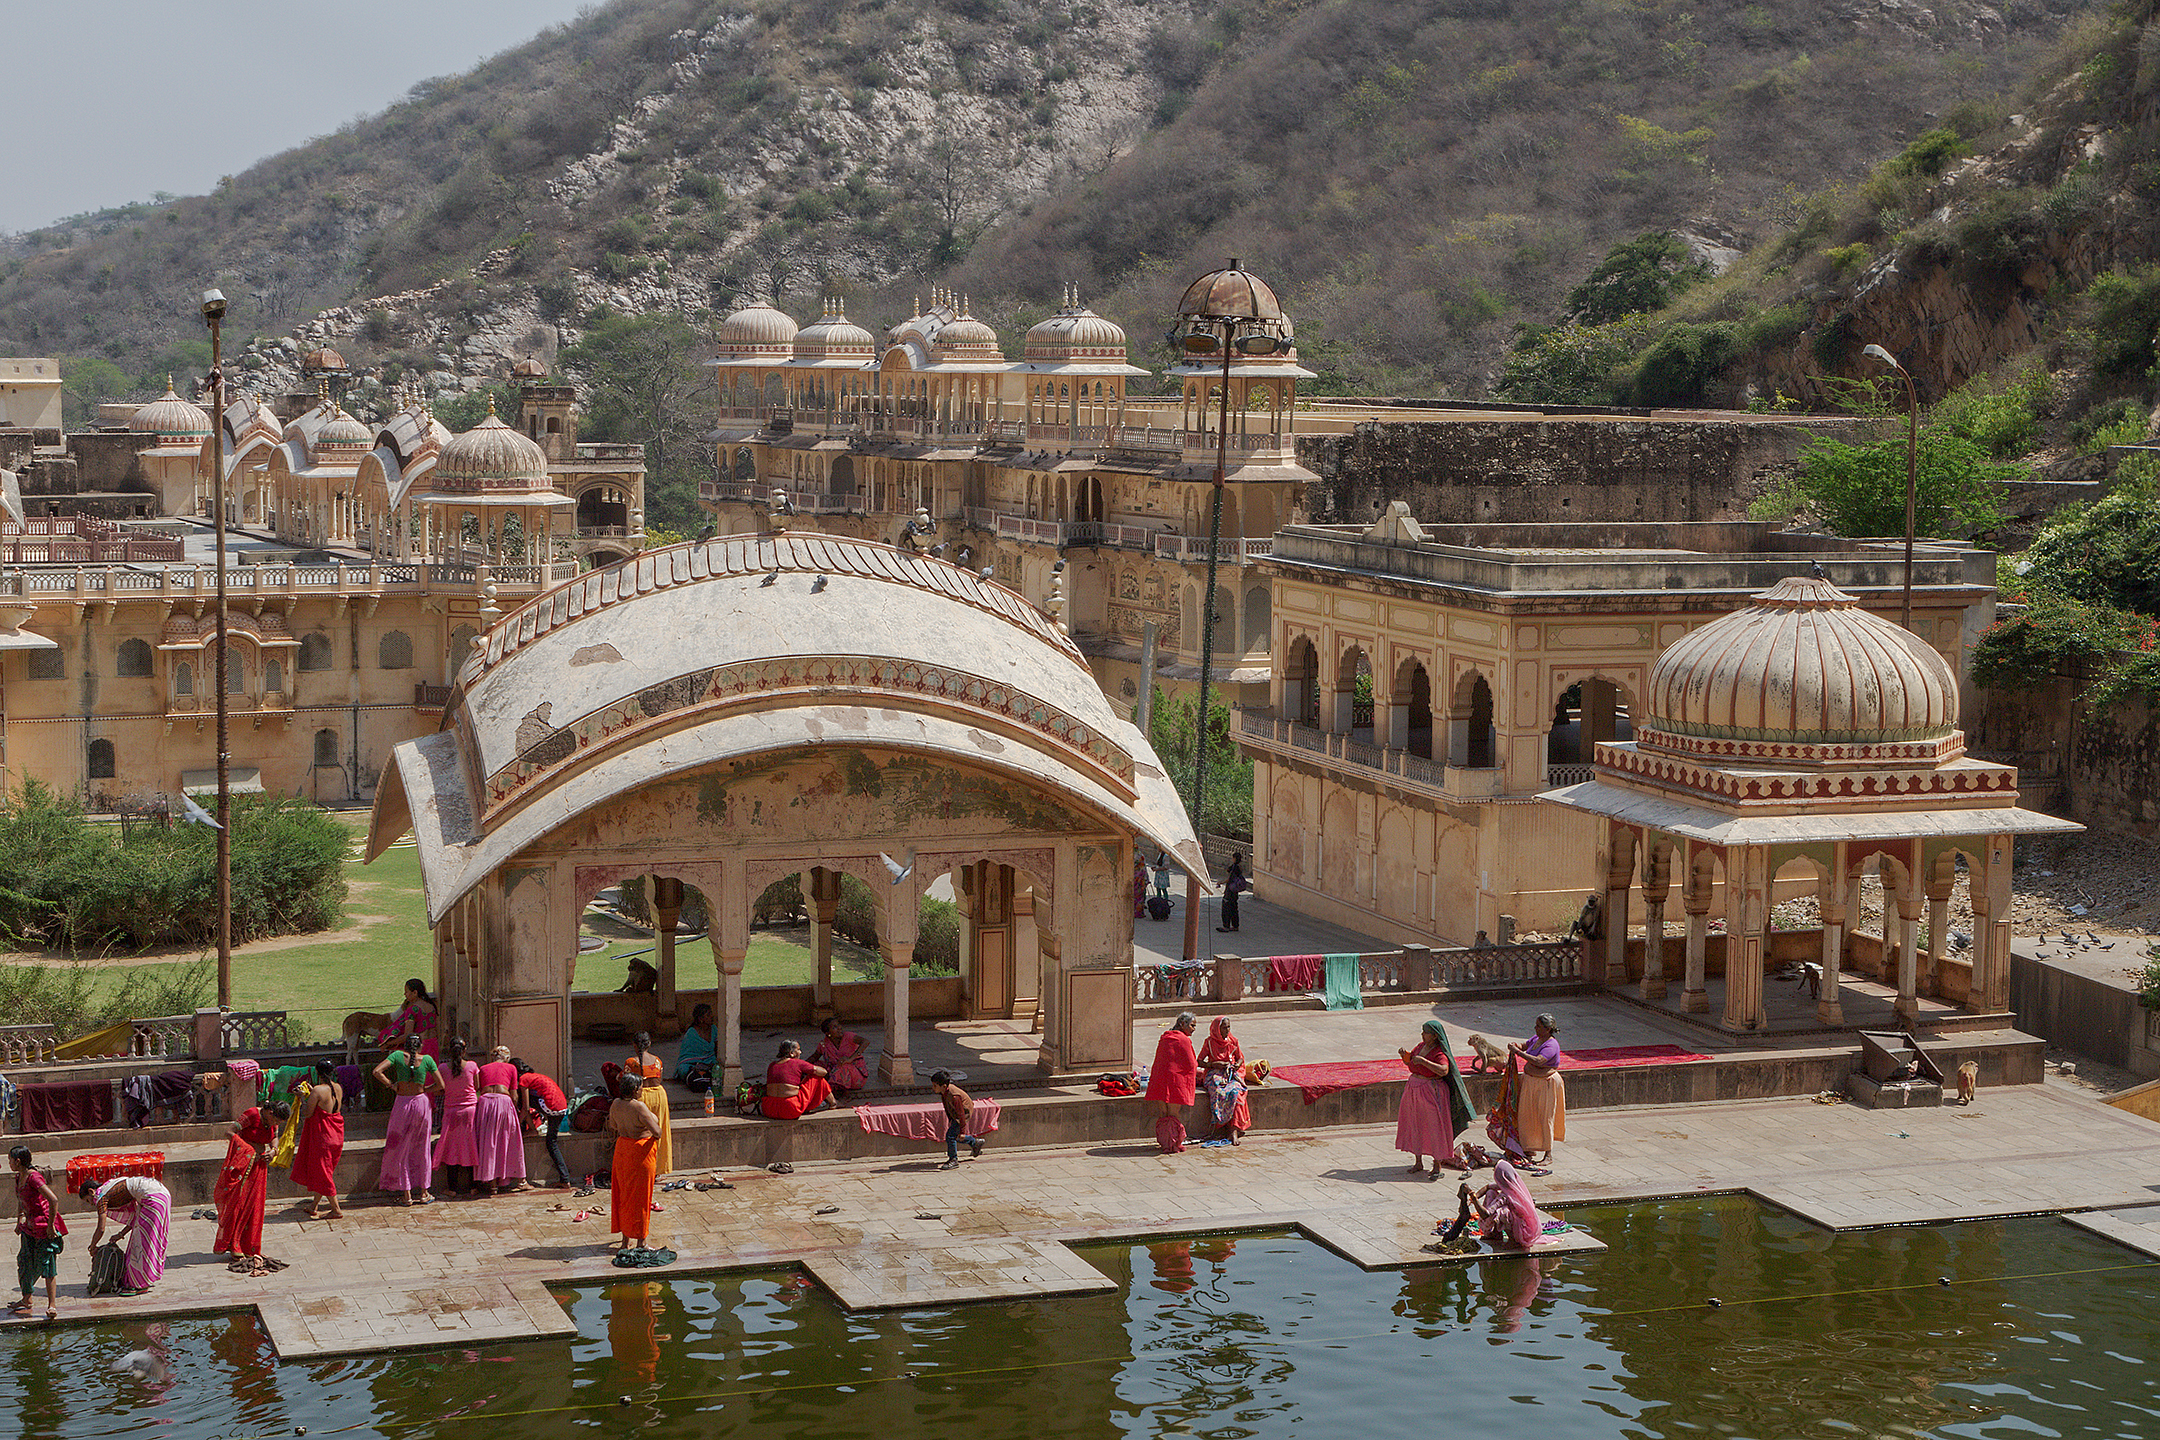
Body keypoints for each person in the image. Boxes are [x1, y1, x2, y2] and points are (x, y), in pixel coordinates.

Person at [1397, 1019, 1477, 1176]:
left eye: (1425, 1032)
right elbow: (1412, 1063)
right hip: (1414, 1091)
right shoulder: (1420, 1047)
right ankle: (1418, 1162)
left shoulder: (1439, 1052)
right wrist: (1404, 1057)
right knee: (1415, 1124)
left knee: (1435, 1127)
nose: (1422, 1035)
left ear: (1434, 1036)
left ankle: (1437, 1165)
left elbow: (1443, 1070)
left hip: (1431, 1093)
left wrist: (1424, 1062)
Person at [372, 1033, 441, 1205]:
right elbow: (441, 1085)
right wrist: (426, 1089)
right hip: (421, 1104)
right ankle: (424, 1192)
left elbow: (377, 1071)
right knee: (422, 1147)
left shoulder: (396, 1056)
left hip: (402, 1103)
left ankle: (406, 1195)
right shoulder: (427, 1060)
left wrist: (392, 1085)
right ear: (420, 1046)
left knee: (401, 1147)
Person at [213, 1103, 284, 1263]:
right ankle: (234, 1244)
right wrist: (249, 1150)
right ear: (269, 1112)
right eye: (275, 1120)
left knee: (254, 1206)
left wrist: (273, 1151)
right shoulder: (252, 1114)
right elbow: (229, 1132)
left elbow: (274, 1138)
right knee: (239, 1203)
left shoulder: (273, 1122)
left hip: (259, 1166)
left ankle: (248, 1245)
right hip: (244, 1165)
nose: (275, 1125)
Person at [79, 1174, 172, 1294]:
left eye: (88, 1200)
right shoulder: (108, 1185)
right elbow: (135, 1217)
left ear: (91, 1191)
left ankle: (138, 1285)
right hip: (162, 1195)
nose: (91, 1204)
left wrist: (92, 1246)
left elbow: (101, 1228)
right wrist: (120, 1234)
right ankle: (143, 1279)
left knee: (140, 1245)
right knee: (145, 1241)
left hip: (152, 1199)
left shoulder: (100, 1197)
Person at [606, 1073, 662, 1254]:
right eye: (640, 1088)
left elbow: (613, 1125)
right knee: (641, 1198)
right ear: (634, 1090)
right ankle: (641, 1242)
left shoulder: (615, 1103)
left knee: (624, 1195)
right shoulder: (639, 1107)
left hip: (623, 1150)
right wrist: (653, 1119)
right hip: (640, 1153)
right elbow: (658, 1132)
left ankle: (625, 1242)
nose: (642, 1090)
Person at [10, 1145, 65, 1321]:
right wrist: (20, 1218)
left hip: (44, 1225)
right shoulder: (19, 1177)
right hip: (30, 1225)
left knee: (48, 1265)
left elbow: (53, 1199)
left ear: (17, 1161)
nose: (9, 1163)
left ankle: (52, 1305)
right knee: (24, 1261)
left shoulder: (34, 1178)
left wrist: (50, 1226)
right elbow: (20, 1198)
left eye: (10, 1160)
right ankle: (27, 1299)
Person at [1508, 1014, 1567, 1165]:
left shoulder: (1551, 1045)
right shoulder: (1536, 1039)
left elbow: (1539, 1061)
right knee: (1526, 1114)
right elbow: (1524, 1045)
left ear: (1547, 1029)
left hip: (1546, 1084)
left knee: (1545, 1117)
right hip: (1530, 1082)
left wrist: (1519, 1053)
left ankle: (1548, 1154)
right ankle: (1529, 1147)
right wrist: (1517, 1046)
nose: (1535, 1028)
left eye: (1538, 1026)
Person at [290, 1061, 346, 1220]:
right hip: (336, 1134)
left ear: (317, 1073)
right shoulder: (338, 1087)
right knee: (325, 1171)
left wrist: (301, 1097)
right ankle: (313, 1206)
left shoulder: (317, 1090)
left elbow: (308, 1114)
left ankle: (336, 1209)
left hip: (323, 1136)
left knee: (323, 1173)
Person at [473, 1046, 529, 1196]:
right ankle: (515, 1179)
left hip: (485, 1103)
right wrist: (515, 1109)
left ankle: (492, 1185)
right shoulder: (511, 1068)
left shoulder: (483, 1068)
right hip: (503, 1102)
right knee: (508, 1140)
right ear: (506, 1058)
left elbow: (478, 1089)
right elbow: (514, 1094)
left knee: (488, 1142)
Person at [1144, 1012, 1200, 1153]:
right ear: (1182, 1024)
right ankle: (1173, 1145)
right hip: (1175, 1082)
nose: (1194, 1029)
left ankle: (1165, 1144)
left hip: (1160, 1080)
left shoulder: (1165, 1037)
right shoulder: (1184, 1040)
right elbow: (1191, 1063)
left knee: (1163, 1113)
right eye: (1192, 1025)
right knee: (1174, 1114)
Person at [434, 1036, 481, 1197]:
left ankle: (452, 1188)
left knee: (451, 1149)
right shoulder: (472, 1066)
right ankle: (473, 1186)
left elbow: (440, 1088)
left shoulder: (442, 1068)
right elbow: (477, 1086)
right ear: (465, 1050)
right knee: (470, 1146)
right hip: (470, 1110)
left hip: (451, 1112)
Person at [514, 1060, 573, 1189]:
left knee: (522, 1103)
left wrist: (516, 1126)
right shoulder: (534, 1076)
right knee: (551, 1142)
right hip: (562, 1107)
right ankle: (565, 1179)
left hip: (552, 1107)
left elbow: (525, 1107)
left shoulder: (523, 1079)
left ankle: (532, 1130)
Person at [625, 1032, 674, 1176]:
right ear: (649, 1044)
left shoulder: (630, 1063)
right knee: (658, 1131)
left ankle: (643, 1167)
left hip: (641, 1098)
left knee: (642, 1134)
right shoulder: (657, 1061)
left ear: (634, 1045)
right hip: (659, 1096)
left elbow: (626, 1082)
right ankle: (657, 1169)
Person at [1197, 1017, 1251, 1143]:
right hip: (1214, 1074)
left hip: (1230, 1073)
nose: (1227, 1030)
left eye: (1228, 1027)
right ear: (1217, 1029)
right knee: (1220, 1092)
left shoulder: (1233, 1041)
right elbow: (1199, 1061)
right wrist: (1214, 1064)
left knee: (1236, 1093)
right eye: (1224, 1027)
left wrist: (1237, 1064)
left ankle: (1233, 1130)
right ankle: (1222, 1128)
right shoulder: (1209, 1042)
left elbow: (1240, 1058)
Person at [761, 1039, 835, 1120]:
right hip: (790, 1109)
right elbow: (823, 1072)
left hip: (769, 1109)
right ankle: (833, 1103)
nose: (800, 1052)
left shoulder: (772, 1065)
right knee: (817, 1078)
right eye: (798, 1049)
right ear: (792, 1053)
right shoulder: (797, 1062)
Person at [931, 1070, 984, 1169]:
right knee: (955, 1137)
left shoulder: (954, 1096)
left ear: (943, 1086)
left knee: (951, 1136)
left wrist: (963, 1131)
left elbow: (961, 1114)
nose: (933, 1088)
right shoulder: (944, 1092)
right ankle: (974, 1142)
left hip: (963, 1113)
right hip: (955, 1114)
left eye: (935, 1086)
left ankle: (953, 1159)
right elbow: (948, 1107)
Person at [372, 978, 439, 1057]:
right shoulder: (431, 1007)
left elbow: (407, 1036)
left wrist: (387, 1043)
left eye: (406, 991)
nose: (405, 994)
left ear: (415, 993)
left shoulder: (412, 1010)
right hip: (433, 1045)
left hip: (420, 1047)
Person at [811, 1016, 869, 1095]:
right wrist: (800, 1066)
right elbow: (814, 1057)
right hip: (834, 1072)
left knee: (843, 1065)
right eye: (835, 1027)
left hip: (855, 1077)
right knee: (816, 1065)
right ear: (828, 1034)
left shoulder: (849, 1036)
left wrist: (850, 1059)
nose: (839, 1028)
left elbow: (865, 1042)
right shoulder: (824, 1044)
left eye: (838, 1025)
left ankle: (832, 1093)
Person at [672, 1004, 718, 1088]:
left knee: (718, 1068)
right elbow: (686, 1056)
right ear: (700, 1019)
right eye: (708, 1015)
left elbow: (717, 1048)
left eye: (711, 1013)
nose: (712, 1016)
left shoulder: (714, 1029)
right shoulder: (691, 1033)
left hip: (710, 1061)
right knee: (683, 1069)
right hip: (692, 1063)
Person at [1216, 855, 1248, 934]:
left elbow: (1229, 878)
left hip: (1230, 892)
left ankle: (1226, 926)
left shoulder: (1234, 868)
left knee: (1226, 908)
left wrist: (1221, 882)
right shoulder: (1239, 867)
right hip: (1235, 892)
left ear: (1234, 858)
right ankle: (1235, 926)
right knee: (1234, 908)